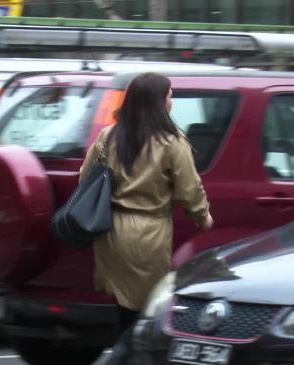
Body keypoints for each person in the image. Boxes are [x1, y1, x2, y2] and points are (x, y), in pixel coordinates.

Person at [79, 72, 213, 364]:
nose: (171, 100)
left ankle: (123, 355)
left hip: (110, 233)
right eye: (169, 95)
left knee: (126, 311)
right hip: (146, 235)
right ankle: (118, 359)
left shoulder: (109, 135)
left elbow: (85, 178)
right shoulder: (171, 142)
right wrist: (203, 217)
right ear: (157, 102)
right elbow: (190, 190)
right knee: (145, 316)